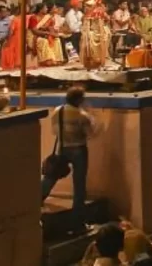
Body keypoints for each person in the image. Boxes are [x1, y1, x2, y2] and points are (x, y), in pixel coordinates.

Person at [41, 86, 95, 232]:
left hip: (62, 147)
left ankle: (37, 199)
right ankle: (78, 223)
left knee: (51, 176)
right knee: (79, 185)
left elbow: (54, 131)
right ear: (79, 99)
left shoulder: (58, 111)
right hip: (78, 149)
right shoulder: (81, 115)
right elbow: (90, 134)